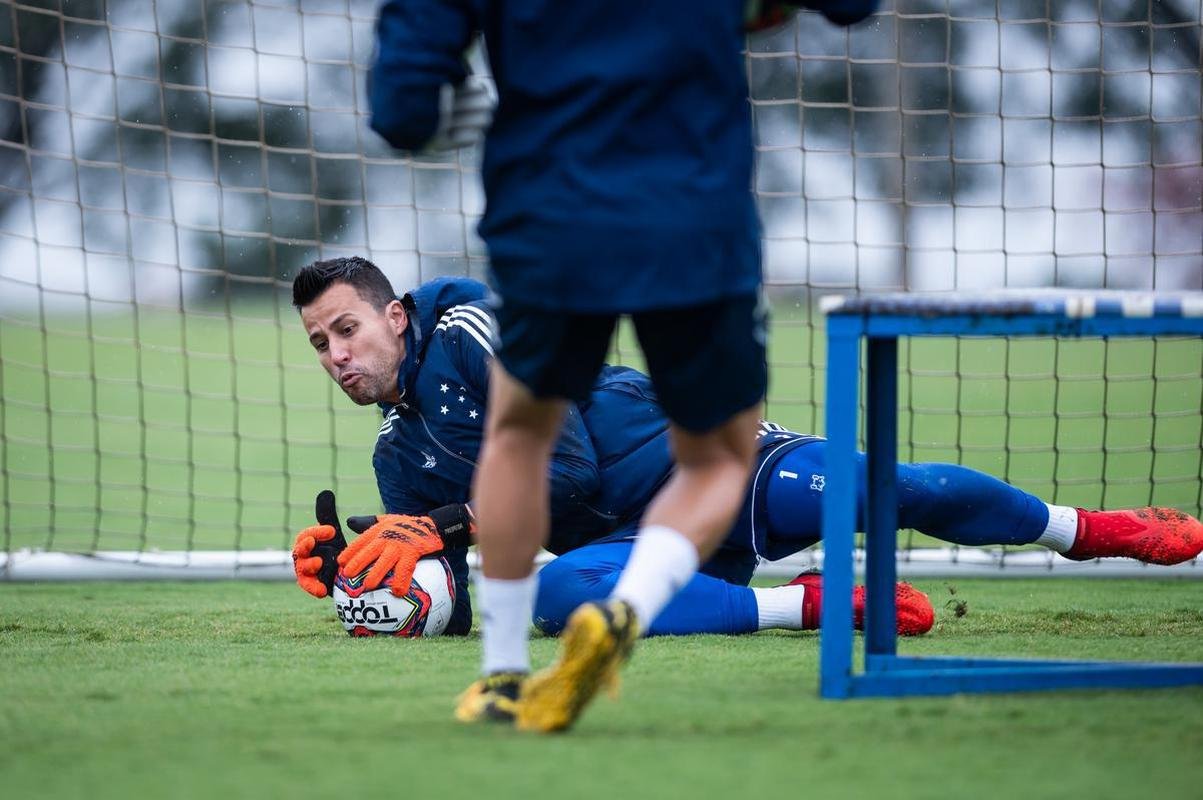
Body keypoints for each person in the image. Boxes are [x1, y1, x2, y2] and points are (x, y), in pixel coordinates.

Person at [360, 0, 890, 732]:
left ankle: (501, 676)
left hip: (547, 211)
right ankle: (625, 613)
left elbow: (402, 110)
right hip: (694, 211)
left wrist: (483, 107)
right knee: (716, 460)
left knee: (518, 435)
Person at [290, 264, 1203, 643]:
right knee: (557, 599)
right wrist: (358, 570)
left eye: (347, 330)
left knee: (890, 487)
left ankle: (1086, 529)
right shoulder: (394, 456)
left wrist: (442, 522)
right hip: (634, 546)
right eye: (320, 345)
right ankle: (810, 606)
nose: (337, 357)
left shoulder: (462, 329)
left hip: (717, 472)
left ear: (394, 316)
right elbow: (463, 585)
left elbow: (559, 468)